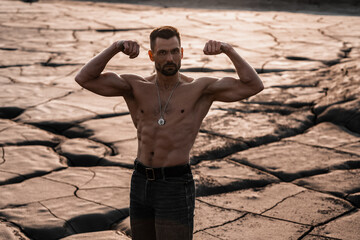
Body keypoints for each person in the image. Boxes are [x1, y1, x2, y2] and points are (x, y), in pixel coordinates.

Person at [75, 26, 264, 240]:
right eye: (163, 53)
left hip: (174, 184)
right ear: (151, 55)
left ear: (181, 53)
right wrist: (116, 47)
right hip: (140, 181)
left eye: (175, 51)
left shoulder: (200, 89)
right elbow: (85, 78)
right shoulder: (135, 86)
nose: (170, 58)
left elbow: (253, 85)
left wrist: (227, 49)